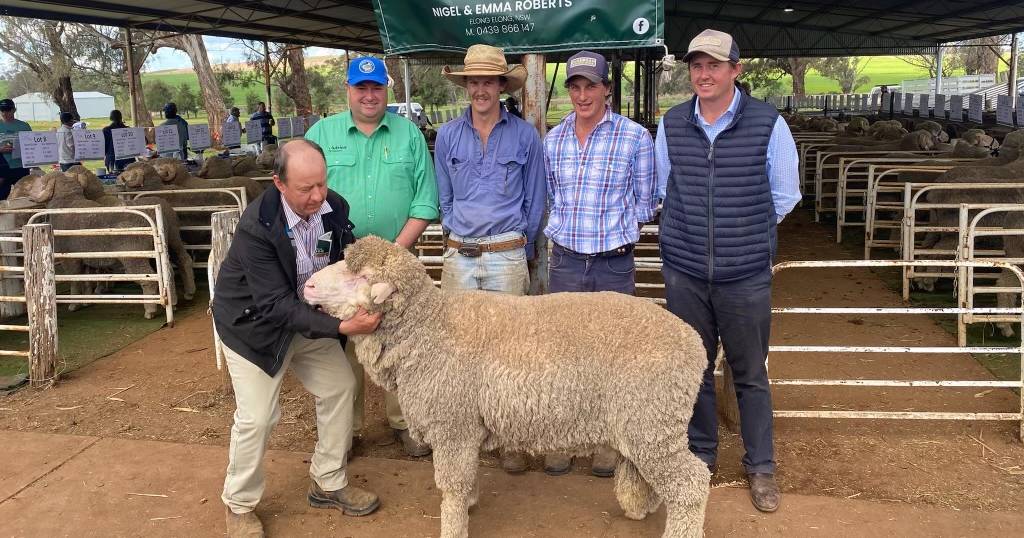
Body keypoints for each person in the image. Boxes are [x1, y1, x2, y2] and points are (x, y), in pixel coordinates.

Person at [655, 29, 800, 513]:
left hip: (744, 273)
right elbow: (663, 189)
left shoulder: (767, 123)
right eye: (697, 65)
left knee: (750, 372)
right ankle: (702, 455)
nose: (704, 74)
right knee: (693, 367)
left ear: (736, 70)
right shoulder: (673, 123)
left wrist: (747, 234)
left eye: (714, 65)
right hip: (686, 270)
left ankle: (761, 466)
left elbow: (784, 196)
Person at [213, 139, 382, 538]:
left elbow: (343, 262)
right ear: (279, 183)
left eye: (321, 184)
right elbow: (273, 305)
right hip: (254, 326)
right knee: (257, 417)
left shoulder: (334, 208)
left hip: (307, 319)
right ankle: (238, 505)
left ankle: (328, 480)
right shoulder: (257, 226)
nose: (317, 196)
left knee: (340, 386)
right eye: (306, 188)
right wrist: (342, 328)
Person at [304, 56, 439, 457]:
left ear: (386, 90)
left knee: (402, 341)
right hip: (337, 263)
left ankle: (406, 422)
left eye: (376, 87)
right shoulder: (322, 134)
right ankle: (346, 429)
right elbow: (301, 197)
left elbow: (425, 202)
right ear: (347, 89)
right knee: (340, 344)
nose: (368, 95)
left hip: (394, 259)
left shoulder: (409, 136)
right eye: (360, 87)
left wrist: (391, 260)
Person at [542, 50, 657, 477]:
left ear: (608, 88)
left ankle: (608, 442)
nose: (583, 94)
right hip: (568, 260)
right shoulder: (553, 141)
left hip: (613, 261)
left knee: (612, 355)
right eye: (576, 86)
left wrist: (615, 224)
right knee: (562, 352)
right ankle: (563, 438)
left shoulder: (634, 138)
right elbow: (552, 197)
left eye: (592, 85)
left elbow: (647, 203)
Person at [435, 44, 546, 474]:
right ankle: (464, 431)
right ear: (466, 86)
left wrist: (522, 242)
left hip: (505, 252)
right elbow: (444, 195)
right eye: (474, 81)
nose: (481, 89)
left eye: (489, 81)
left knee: (509, 351)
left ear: (502, 85)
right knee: (458, 347)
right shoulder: (447, 136)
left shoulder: (524, 136)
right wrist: (453, 229)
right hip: (459, 253)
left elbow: (536, 198)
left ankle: (511, 437)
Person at [0, 98, 32, 200]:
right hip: (2, 167)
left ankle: (23, 215)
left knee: (23, 197)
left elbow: (32, 144)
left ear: (14, 110)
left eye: (8, 110)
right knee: (2, 195)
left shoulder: (24, 126)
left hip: (21, 166)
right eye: (2, 110)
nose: (4, 113)